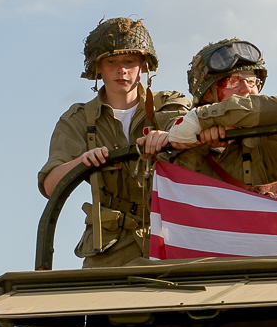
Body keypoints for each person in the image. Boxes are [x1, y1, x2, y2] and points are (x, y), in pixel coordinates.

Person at [40, 18, 195, 267]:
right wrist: (82, 162)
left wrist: (170, 137)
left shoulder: (168, 104)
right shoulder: (78, 120)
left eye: (129, 62)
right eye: (111, 62)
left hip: (170, 233)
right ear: (98, 68)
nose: (121, 70)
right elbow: (50, 186)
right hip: (110, 246)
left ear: (143, 66)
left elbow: (189, 131)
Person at [142, 38, 277, 200]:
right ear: (208, 94)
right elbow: (172, 200)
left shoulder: (270, 136)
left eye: (251, 80)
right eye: (233, 81)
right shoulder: (183, 148)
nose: (246, 88)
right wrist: (200, 145)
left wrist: (201, 119)